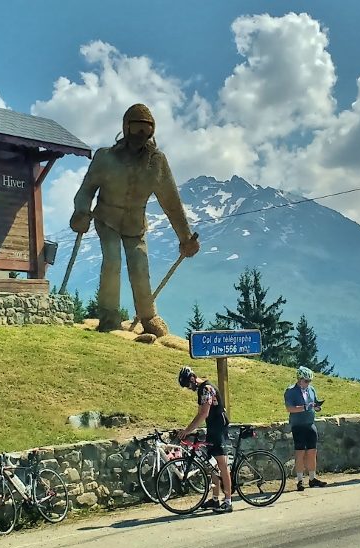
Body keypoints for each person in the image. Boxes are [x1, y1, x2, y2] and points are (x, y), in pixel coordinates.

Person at [71, 103, 200, 334]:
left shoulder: (157, 163)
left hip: (135, 224)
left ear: (152, 131)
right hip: (106, 217)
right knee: (112, 261)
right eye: (137, 128)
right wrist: (81, 211)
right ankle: (109, 318)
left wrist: (185, 237)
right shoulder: (105, 158)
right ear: (126, 127)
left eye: (146, 129)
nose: (142, 134)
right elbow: (87, 189)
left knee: (140, 266)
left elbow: (171, 203)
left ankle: (148, 317)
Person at [176, 366, 232, 513]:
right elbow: (200, 413)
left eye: (188, 384)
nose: (189, 388)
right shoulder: (201, 390)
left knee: (222, 464)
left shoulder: (206, 389)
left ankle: (228, 501)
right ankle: (215, 500)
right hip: (212, 428)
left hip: (218, 428)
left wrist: (187, 430)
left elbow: (204, 414)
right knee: (212, 464)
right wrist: (188, 428)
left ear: (193, 378)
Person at [284, 366, 328, 490]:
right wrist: (305, 407)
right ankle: (299, 480)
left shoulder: (311, 390)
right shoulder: (291, 391)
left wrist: (317, 407)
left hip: (310, 424)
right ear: (299, 379)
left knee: (312, 452)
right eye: (306, 381)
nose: (308, 383)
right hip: (298, 425)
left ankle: (312, 478)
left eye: (310, 381)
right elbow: (289, 408)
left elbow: (313, 404)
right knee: (300, 453)